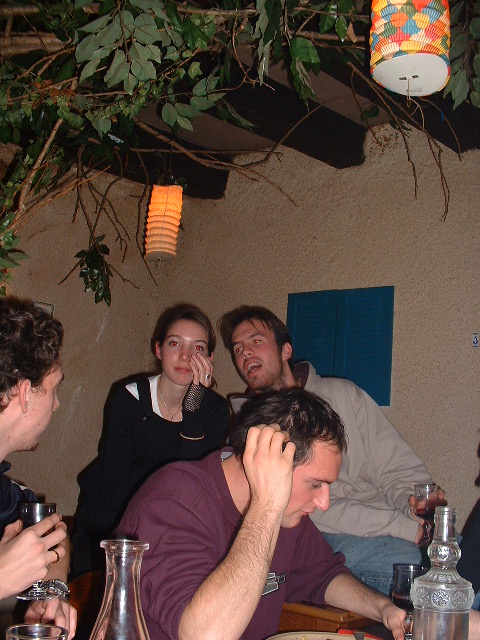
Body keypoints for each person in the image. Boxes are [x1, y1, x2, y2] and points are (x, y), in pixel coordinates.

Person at [118, 388, 407, 640]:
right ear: (268, 462)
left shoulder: (288, 516)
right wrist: (266, 505)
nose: (324, 503)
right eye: (315, 484)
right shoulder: (173, 501)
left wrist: (383, 608)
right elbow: (205, 635)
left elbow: (322, 575)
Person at [219, 304, 433, 596]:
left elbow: (396, 467)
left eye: (256, 340)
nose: (245, 353)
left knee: (462, 553)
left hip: (390, 522)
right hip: (321, 534)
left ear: (285, 350)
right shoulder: (252, 432)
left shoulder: (343, 394)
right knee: (416, 569)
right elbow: (306, 508)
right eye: (237, 348)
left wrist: (418, 512)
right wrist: (402, 527)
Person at [73, 303, 230, 576]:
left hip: (174, 522)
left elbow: (192, 480)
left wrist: (193, 405)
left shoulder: (215, 410)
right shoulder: (128, 398)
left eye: (198, 348)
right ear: (158, 350)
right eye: (174, 343)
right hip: (111, 514)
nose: (185, 356)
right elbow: (114, 483)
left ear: (210, 358)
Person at [0, 297, 76, 637]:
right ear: (24, 393)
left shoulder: (6, 494)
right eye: (54, 388)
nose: (56, 405)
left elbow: (54, 534)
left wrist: (50, 592)